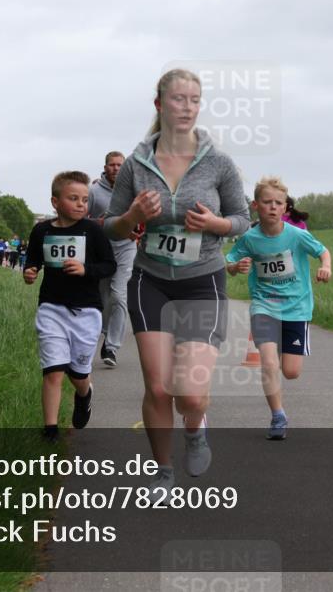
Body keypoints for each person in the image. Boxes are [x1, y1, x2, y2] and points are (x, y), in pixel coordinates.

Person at [104, 68, 250, 495]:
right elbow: (111, 225)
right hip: (149, 280)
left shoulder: (219, 163)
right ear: (159, 104)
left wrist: (215, 224)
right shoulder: (136, 164)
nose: (187, 107)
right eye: (178, 99)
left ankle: (195, 426)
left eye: (194, 100)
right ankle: (163, 473)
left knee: (189, 394)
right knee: (157, 386)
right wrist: (132, 216)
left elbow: (242, 219)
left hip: (202, 281)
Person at [226, 176, 332, 440]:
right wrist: (235, 267)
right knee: (269, 362)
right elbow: (230, 261)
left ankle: (283, 350)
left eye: (278, 203)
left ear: (285, 207)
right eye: (267, 202)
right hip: (264, 305)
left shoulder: (296, 235)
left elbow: (323, 251)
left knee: (291, 372)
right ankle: (278, 416)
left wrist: (326, 266)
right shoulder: (249, 239)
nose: (272, 207)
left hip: (297, 308)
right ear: (255, 205)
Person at [24, 171, 116, 442]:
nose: (80, 204)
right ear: (55, 202)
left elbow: (109, 265)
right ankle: (50, 431)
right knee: (53, 370)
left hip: (86, 311)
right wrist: (30, 272)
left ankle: (84, 394)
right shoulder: (42, 231)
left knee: (77, 373)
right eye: (73, 198)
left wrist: (86, 269)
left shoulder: (93, 231)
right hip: (51, 308)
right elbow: (33, 261)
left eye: (85, 200)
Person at [88, 151, 142, 367]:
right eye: (112, 165)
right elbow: (81, 219)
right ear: (105, 167)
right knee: (103, 298)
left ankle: (111, 347)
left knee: (119, 296)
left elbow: (142, 217)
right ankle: (103, 331)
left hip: (126, 248)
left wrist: (138, 230)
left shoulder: (133, 191)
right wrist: (101, 223)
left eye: (120, 165)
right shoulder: (93, 192)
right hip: (101, 250)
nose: (116, 169)